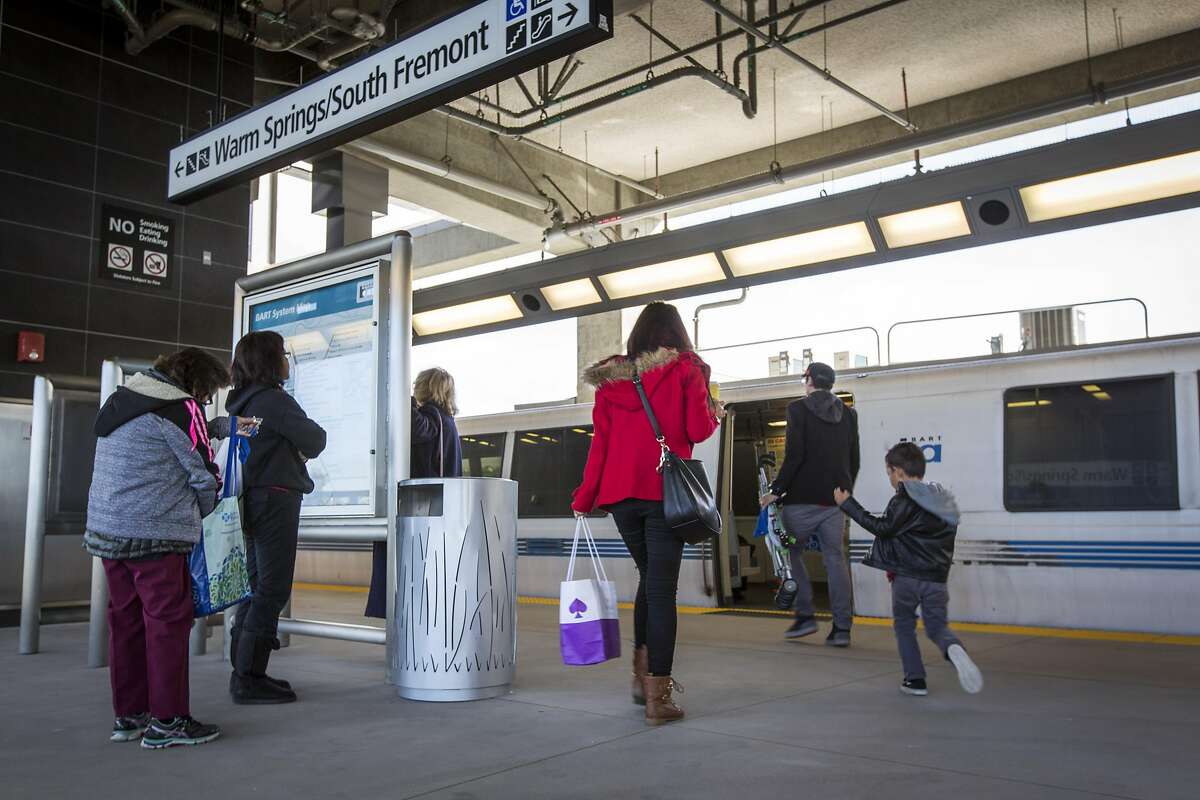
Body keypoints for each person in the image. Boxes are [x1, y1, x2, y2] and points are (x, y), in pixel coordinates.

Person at [572, 302, 724, 726]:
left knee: (649, 581)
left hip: (621, 500)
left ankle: (642, 679)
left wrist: (585, 498)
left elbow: (599, 446)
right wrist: (715, 408)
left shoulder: (611, 383)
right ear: (677, 334)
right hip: (663, 494)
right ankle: (660, 697)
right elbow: (697, 430)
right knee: (661, 591)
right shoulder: (686, 370)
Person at [85, 348, 235, 748]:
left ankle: (130, 715)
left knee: (127, 622)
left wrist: (217, 425)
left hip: (108, 531)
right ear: (196, 384)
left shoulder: (123, 399)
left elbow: (157, 443)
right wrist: (206, 512)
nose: (204, 402)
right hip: (156, 534)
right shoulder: (181, 407)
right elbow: (204, 474)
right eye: (206, 394)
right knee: (167, 625)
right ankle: (169, 721)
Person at [833, 442, 983, 696]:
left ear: (899, 471)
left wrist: (848, 504)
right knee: (937, 627)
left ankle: (915, 680)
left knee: (904, 625)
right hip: (936, 579)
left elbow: (882, 528)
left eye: (889, 473)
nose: (890, 479)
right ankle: (953, 647)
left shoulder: (904, 498)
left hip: (907, 578)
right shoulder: (942, 501)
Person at [226, 331, 327, 704]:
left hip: (252, 500)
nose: (287, 360)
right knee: (272, 588)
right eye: (284, 354)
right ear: (271, 362)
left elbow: (260, 440)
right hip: (277, 499)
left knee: (257, 585)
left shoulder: (242, 403)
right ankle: (249, 679)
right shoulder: (274, 401)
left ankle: (245, 671)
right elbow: (315, 440)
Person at [759, 361, 859, 646]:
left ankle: (805, 616)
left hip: (801, 499)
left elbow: (795, 456)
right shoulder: (849, 414)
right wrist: (845, 491)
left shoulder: (797, 409)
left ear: (810, 380)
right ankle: (842, 629)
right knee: (835, 560)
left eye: (805, 378)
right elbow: (854, 459)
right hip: (836, 501)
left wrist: (776, 491)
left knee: (790, 550)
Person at [365, 367, 463, 618]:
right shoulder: (448, 420)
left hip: (421, 509)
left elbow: (416, 429)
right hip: (443, 507)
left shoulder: (431, 416)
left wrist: (399, 396)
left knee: (403, 569)